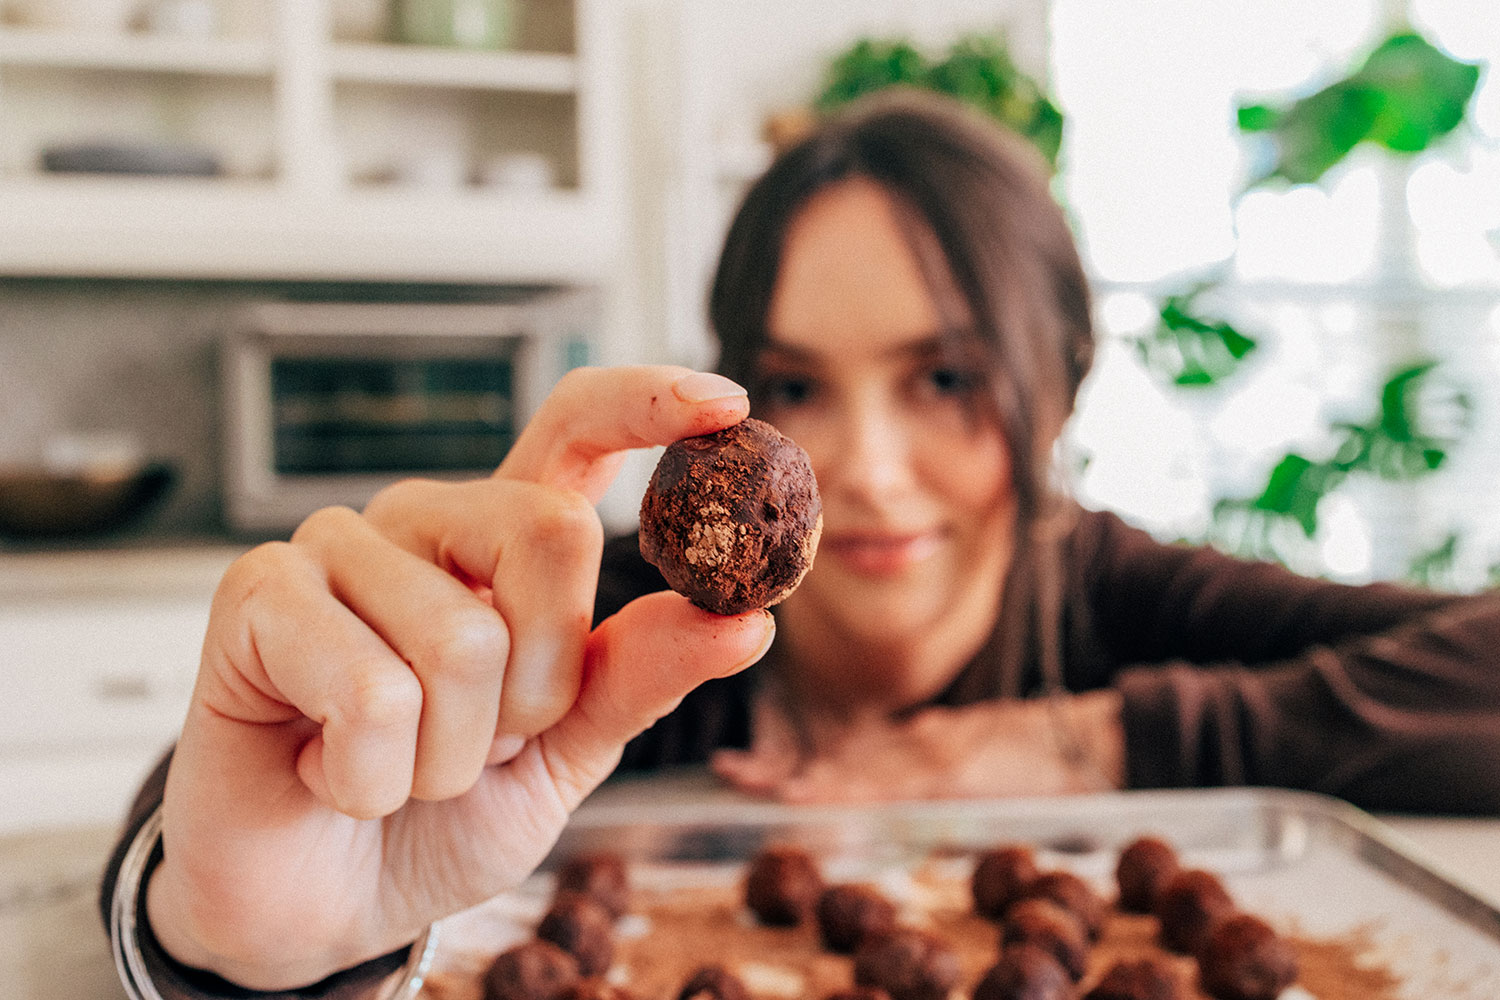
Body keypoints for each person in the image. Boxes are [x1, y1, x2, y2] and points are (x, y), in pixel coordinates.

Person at [102, 89, 1500, 999]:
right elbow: (228, 834)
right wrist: (237, 939)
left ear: (1059, 385)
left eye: (947, 380)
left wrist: (1086, 743)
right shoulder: (593, 644)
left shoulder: (1123, 594)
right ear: (731, 407)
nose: (868, 472)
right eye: (802, 386)